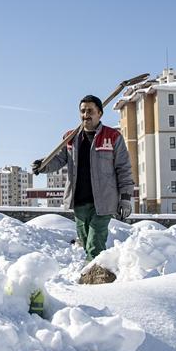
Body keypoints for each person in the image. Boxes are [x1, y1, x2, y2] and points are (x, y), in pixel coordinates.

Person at [33, 95, 134, 260]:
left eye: (90, 111)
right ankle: (98, 273)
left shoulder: (112, 136)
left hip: (104, 201)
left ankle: (94, 280)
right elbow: (59, 160)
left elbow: (124, 169)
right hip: (79, 200)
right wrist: (43, 165)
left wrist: (125, 198)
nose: (85, 114)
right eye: (82, 111)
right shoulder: (70, 137)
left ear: (99, 113)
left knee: (95, 244)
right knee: (87, 242)